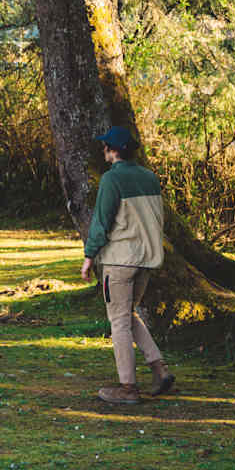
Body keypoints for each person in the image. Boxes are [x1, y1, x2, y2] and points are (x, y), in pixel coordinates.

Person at [79, 126, 176, 404]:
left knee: (119, 321)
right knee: (127, 315)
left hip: (120, 260)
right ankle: (159, 369)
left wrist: (89, 257)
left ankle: (128, 388)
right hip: (146, 260)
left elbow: (101, 222)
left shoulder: (112, 180)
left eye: (106, 146)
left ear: (114, 150)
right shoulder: (150, 178)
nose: (103, 150)